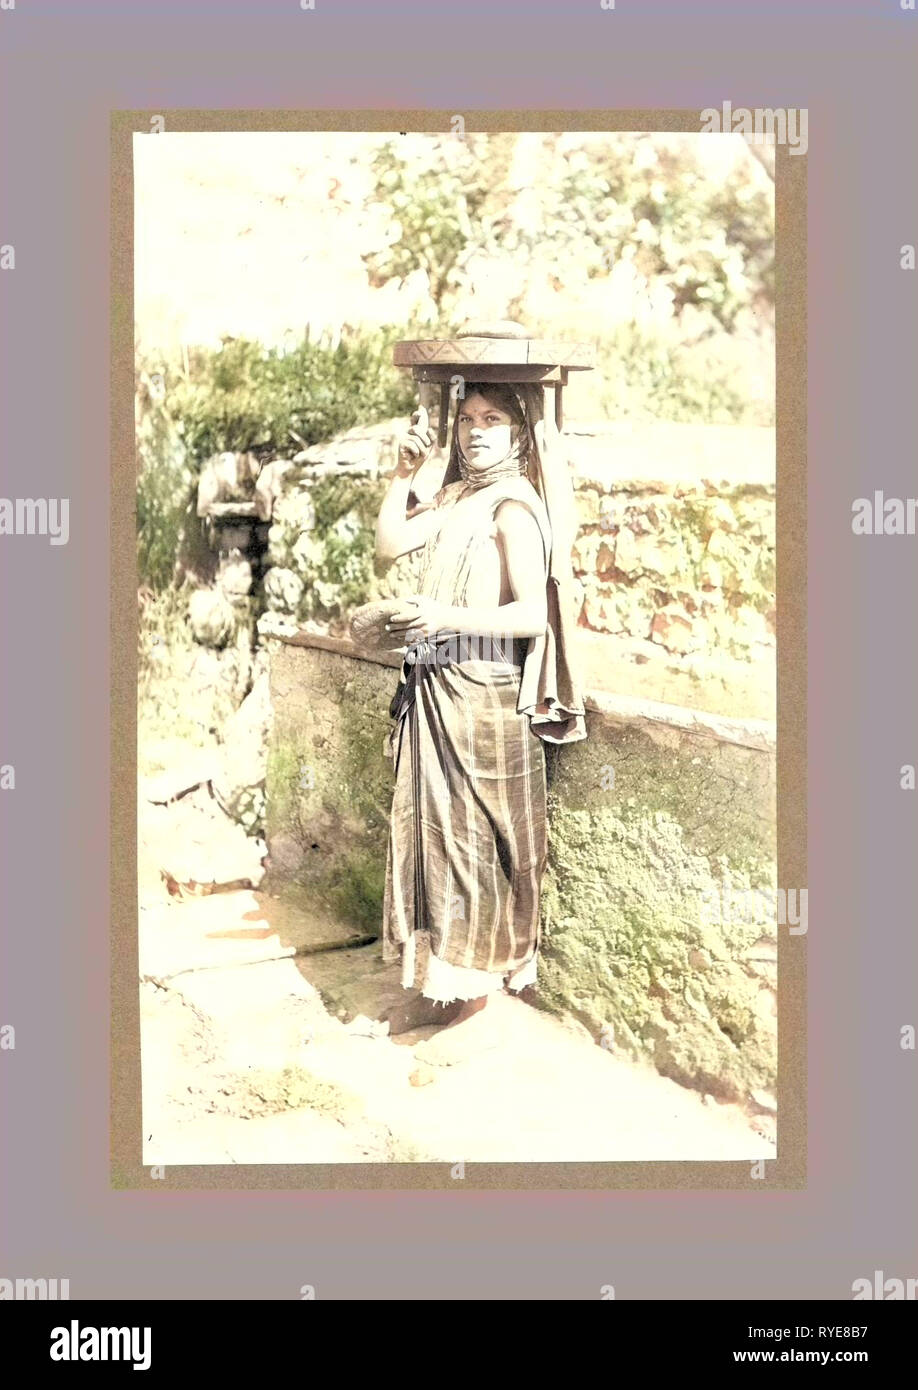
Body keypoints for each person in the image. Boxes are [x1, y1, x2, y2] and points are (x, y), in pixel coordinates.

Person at [375, 381, 585, 1065]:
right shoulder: (460, 495)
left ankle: (481, 1004)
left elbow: (531, 616)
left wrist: (445, 619)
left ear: (520, 431)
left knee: (478, 854)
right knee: (434, 845)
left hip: (485, 697)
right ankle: (445, 988)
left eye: (493, 419)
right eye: (466, 419)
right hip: (438, 684)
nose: (476, 431)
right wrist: (404, 476)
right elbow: (389, 545)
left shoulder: (513, 508)